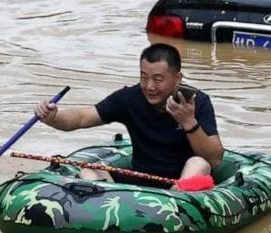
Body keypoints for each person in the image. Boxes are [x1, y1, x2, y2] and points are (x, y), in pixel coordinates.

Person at [33, 44, 223, 187]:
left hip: (180, 183)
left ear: (177, 79)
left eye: (158, 79)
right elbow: (83, 117)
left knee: (198, 164)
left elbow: (214, 159)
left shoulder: (197, 102)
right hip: (140, 179)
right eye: (143, 77)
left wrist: (188, 121)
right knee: (89, 171)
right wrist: (53, 117)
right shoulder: (129, 98)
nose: (149, 86)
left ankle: (176, 205)